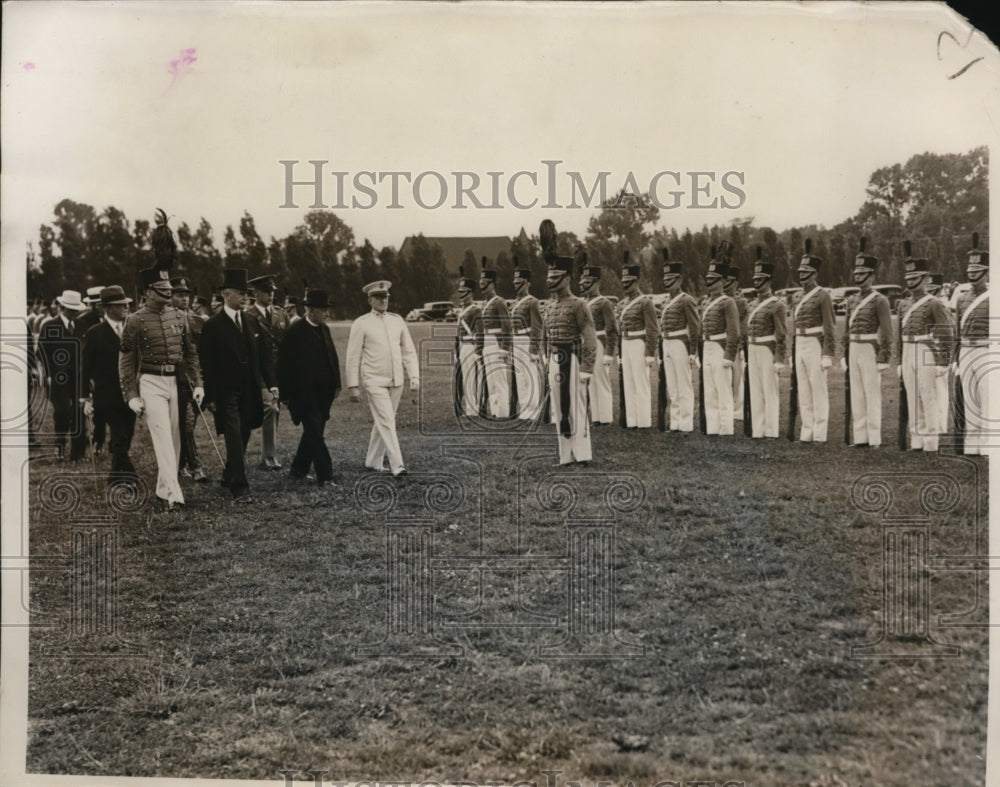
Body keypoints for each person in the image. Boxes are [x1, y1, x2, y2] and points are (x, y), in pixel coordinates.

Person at [119, 268, 204, 509]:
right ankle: (174, 495)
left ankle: (162, 488)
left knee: (175, 437)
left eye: (169, 289)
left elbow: (191, 354)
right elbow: (125, 361)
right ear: (148, 292)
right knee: (162, 435)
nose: (168, 292)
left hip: (176, 381)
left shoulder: (180, 316)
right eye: (162, 289)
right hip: (150, 381)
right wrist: (131, 395)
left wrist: (197, 383)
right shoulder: (135, 320)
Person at [198, 268, 277, 503]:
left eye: (246, 294)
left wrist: (272, 385)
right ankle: (240, 488)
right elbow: (207, 364)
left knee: (243, 431)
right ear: (226, 294)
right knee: (233, 433)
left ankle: (228, 473)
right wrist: (210, 397)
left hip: (249, 388)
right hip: (225, 391)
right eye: (240, 294)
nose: (245, 298)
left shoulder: (251, 321)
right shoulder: (213, 326)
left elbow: (264, 356)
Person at [345, 280, 419, 477]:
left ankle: (372, 460)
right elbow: (353, 356)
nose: (383, 300)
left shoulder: (397, 320)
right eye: (378, 297)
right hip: (374, 380)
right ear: (370, 300)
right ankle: (398, 466)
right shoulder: (361, 323)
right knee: (387, 420)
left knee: (385, 420)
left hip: (396, 380)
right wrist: (353, 385)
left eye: (385, 296)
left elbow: (408, 350)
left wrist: (414, 376)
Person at [277, 289, 342, 486]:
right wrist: (285, 394)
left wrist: (336, 384)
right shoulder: (295, 332)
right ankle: (326, 475)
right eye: (323, 310)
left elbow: (333, 358)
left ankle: (299, 468)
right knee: (315, 433)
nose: (327, 314)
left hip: (324, 394)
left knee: (313, 432)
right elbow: (282, 365)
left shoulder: (325, 329)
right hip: (303, 394)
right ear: (310, 310)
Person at [897, 244, 953, 452]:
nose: (911, 284)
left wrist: (943, 361)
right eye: (909, 280)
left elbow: (946, 332)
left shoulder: (934, 303)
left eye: (915, 279)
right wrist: (899, 359)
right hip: (908, 349)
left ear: (924, 279)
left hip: (925, 348)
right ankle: (916, 438)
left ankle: (930, 440)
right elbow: (899, 334)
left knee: (927, 395)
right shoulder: (903, 304)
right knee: (912, 395)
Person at [543, 254, 598, 465]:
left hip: (573, 360)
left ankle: (582, 454)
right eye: (550, 276)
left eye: (556, 276)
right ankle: (565, 456)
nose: (551, 281)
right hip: (556, 360)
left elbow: (590, 338)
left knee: (577, 406)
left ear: (567, 279)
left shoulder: (579, 305)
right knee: (559, 408)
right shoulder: (549, 306)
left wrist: (587, 368)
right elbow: (547, 337)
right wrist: (547, 360)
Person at [82, 286, 139, 486]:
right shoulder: (95, 333)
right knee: (119, 433)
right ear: (107, 308)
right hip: (106, 396)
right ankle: (131, 477)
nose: (126, 307)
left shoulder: (132, 329)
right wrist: (84, 396)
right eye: (120, 305)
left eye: (126, 304)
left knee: (127, 434)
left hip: (129, 395)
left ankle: (114, 476)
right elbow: (86, 367)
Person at [841, 239, 893, 448]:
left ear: (872, 276)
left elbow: (887, 331)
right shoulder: (851, 300)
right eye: (856, 274)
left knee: (872, 393)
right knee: (857, 393)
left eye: (863, 275)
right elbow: (846, 331)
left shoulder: (880, 300)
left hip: (870, 348)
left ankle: (874, 437)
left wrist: (884, 357)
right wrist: (845, 355)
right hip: (854, 348)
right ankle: (860, 436)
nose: (858, 278)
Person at [792, 241, 836, 442]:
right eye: (801, 272)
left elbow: (829, 326)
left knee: (818, 389)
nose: (802, 276)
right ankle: (807, 429)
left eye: (807, 272)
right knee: (804, 389)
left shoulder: (823, 295)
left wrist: (828, 353)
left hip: (815, 343)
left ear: (815, 274)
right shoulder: (797, 296)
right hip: (800, 342)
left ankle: (819, 432)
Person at [38, 290, 89, 461]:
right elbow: (42, 353)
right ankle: (59, 447)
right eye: (70, 309)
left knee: (78, 414)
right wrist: (48, 375)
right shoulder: (50, 326)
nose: (74, 312)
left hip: (78, 380)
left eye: (76, 309)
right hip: (57, 380)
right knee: (62, 412)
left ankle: (78, 453)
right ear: (62, 308)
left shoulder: (81, 326)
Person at [248, 274, 291, 470]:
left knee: (276, 409)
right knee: (270, 407)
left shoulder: (281, 314)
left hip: (280, 368)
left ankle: (269, 455)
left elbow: (289, 341)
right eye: (266, 292)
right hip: (259, 371)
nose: (271, 295)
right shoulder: (248, 315)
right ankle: (268, 457)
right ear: (256, 293)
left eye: (272, 291)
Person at [955, 234, 990, 455]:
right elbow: (957, 332)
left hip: (986, 350)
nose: (973, 275)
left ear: (986, 272)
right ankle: (972, 445)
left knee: (987, 398)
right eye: (971, 272)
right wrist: (955, 359)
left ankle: (987, 446)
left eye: (977, 272)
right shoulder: (962, 298)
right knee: (969, 400)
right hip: (966, 350)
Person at [745, 252, 787, 439]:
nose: (756, 282)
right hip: (753, 348)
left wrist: (779, 358)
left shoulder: (776, 305)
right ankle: (758, 429)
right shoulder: (752, 304)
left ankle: (771, 430)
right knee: (756, 390)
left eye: (760, 279)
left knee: (769, 391)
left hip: (767, 349)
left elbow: (781, 333)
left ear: (769, 280)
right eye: (755, 278)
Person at [170, 277, 208, 481]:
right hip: (172, 378)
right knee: (183, 423)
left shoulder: (198, 321)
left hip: (194, 378)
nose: (184, 299)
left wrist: (200, 379)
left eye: (186, 295)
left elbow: (201, 352)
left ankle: (185, 463)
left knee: (188, 423)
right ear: (170, 297)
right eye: (179, 295)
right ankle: (192, 465)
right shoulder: (166, 321)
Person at [658, 255, 701, 433]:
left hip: (680, 343)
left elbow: (695, 326)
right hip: (667, 342)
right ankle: (675, 423)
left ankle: (686, 424)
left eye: (671, 279)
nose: (668, 282)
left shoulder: (686, 299)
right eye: (665, 279)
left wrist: (693, 350)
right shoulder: (666, 301)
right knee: (672, 387)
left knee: (684, 385)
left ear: (680, 279)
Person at [617, 254, 658, 428]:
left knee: (641, 384)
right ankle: (631, 421)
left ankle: (643, 421)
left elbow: (653, 329)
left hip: (639, 344)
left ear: (636, 281)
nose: (626, 285)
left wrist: (650, 353)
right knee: (629, 383)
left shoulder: (645, 302)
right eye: (624, 282)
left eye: (629, 282)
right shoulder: (622, 303)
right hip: (626, 343)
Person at [700, 257, 741, 436]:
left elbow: (734, 332)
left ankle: (726, 429)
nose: (710, 283)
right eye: (709, 279)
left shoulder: (728, 302)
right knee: (710, 390)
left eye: (714, 279)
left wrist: (729, 356)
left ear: (723, 281)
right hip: (707, 345)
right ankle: (713, 427)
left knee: (723, 390)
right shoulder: (706, 302)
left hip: (720, 346)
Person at [579, 261, 619, 425]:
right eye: (584, 283)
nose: (585, 286)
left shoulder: (604, 302)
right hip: (586, 343)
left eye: (589, 283)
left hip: (599, 342)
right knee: (590, 381)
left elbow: (612, 329)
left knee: (601, 380)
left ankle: (606, 417)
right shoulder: (583, 303)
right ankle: (596, 416)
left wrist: (610, 352)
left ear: (597, 283)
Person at [509, 265, 545, 421]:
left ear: (527, 284)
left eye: (520, 283)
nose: (516, 286)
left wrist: (534, 348)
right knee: (520, 377)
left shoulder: (532, 302)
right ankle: (524, 409)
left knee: (530, 376)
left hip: (527, 340)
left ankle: (533, 410)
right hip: (516, 341)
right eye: (515, 283)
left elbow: (537, 326)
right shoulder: (515, 303)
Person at [479, 262, 512, 419]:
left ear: (492, 284)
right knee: (491, 379)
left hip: (496, 341)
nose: (482, 286)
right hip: (487, 340)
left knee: (499, 378)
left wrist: (505, 347)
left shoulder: (499, 301)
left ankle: (503, 412)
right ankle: (494, 411)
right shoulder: (485, 303)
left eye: (485, 283)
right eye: (481, 283)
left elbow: (506, 325)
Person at [453, 270, 484, 417]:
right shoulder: (463, 310)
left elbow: (479, 332)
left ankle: (474, 410)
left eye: (464, 292)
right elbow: (458, 335)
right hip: (463, 347)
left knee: (473, 379)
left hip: (471, 346)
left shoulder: (475, 310)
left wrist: (478, 351)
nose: (461, 295)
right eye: (460, 292)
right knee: (465, 378)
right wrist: (456, 352)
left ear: (470, 293)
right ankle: (468, 409)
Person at [724, 265, 749, 420]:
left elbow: (743, 325)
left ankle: (739, 409)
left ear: (736, 283)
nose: (726, 283)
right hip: (720, 344)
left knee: (737, 378)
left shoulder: (740, 302)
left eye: (730, 281)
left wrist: (741, 345)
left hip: (736, 344)